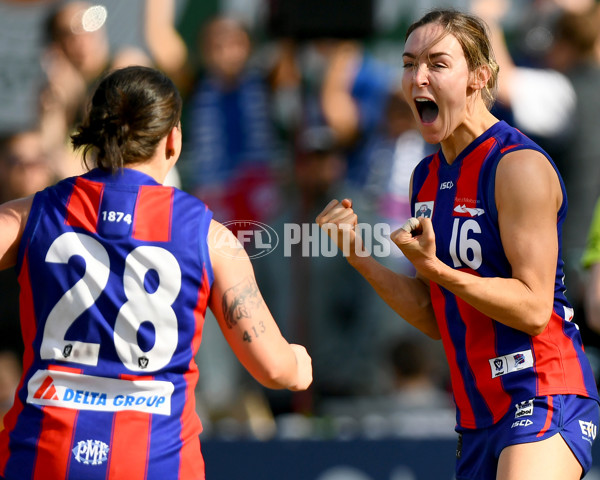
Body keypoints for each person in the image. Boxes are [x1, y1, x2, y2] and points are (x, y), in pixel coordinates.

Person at [316, 9, 599, 480]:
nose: (418, 78)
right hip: (476, 414)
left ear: (479, 77)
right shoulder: (425, 178)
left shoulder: (517, 165)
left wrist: (439, 271)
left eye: (437, 64)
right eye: (409, 64)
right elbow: (435, 315)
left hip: (544, 390)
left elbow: (532, 309)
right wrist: (359, 256)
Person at [0, 65, 312, 479]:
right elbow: (273, 369)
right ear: (173, 139)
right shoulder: (211, 238)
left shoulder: (32, 214)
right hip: (156, 461)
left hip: (43, 455)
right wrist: (298, 363)